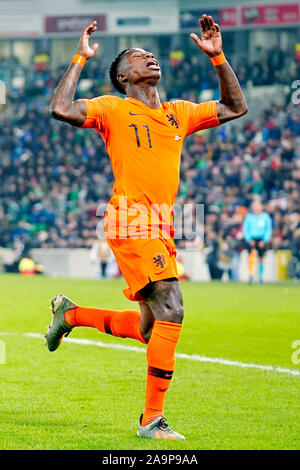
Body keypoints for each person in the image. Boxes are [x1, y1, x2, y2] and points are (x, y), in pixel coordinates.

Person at [45, 14, 247, 440]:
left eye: (150, 54)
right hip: (130, 221)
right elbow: (61, 108)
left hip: (162, 228)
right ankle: (151, 421)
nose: (150, 57)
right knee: (173, 307)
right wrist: (80, 59)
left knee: (150, 328)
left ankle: (71, 314)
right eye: (140, 56)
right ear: (123, 75)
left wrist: (218, 58)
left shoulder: (179, 114)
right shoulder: (112, 107)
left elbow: (235, 107)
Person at [243, 200, 272, 283]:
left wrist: (264, 240)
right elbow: (246, 229)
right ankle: (251, 275)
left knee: (261, 258)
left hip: (261, 239)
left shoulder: (265, 217)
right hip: (251, 239)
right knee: (251, 257)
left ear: (261, 207)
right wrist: (249, 239)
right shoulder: (249, 217)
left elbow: (268, 230)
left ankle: (260, 276)